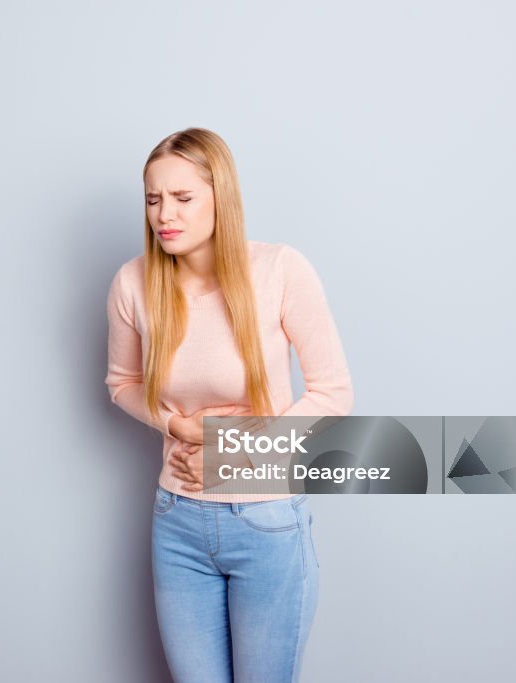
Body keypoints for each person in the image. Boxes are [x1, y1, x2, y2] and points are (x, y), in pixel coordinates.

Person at [104, 127, 354, 683]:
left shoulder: (279, 270)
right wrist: (176, 425)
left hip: (265, 519)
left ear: (222, 197)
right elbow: (121, 382)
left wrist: (224, 452)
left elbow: (332, 393)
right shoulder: (133, 284)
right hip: (177, 523)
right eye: (152, 199)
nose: (163, 214)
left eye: (183, 198)